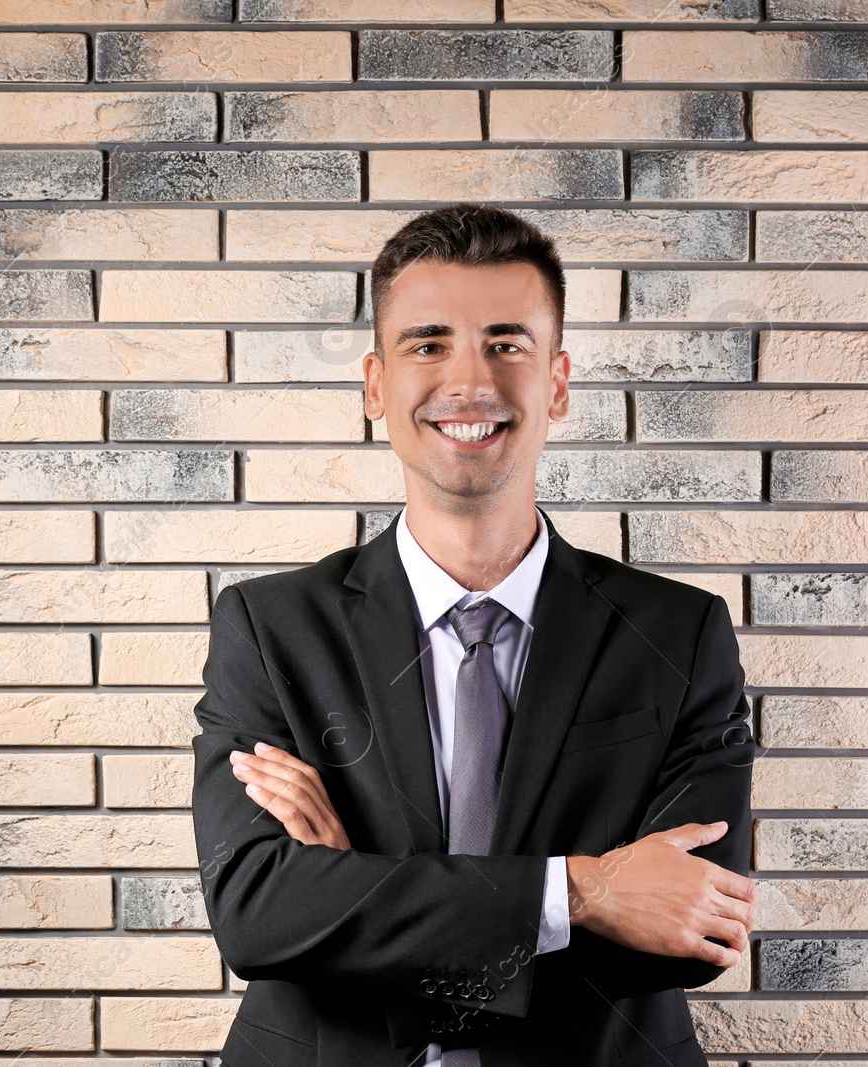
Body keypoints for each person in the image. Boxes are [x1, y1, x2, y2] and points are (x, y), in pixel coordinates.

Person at [190, 203, 758, 1067]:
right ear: (377, 385)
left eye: (506, 343)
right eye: (428, 343)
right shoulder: (270, 628)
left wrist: (359, 899)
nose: (471, 381)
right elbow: (260, 914)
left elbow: (689, 926)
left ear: (557, 382)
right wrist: (587, 888)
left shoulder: (678, 632)